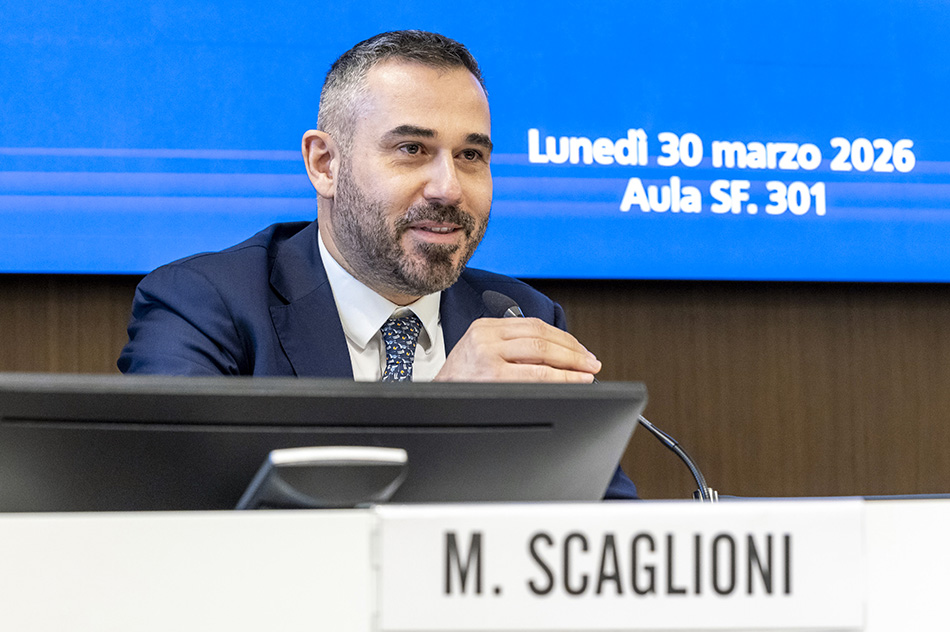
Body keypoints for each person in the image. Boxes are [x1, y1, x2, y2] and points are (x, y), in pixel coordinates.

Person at [118, 30, 637, 498]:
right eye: (412, 149)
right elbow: (176, 521)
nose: (448, 188)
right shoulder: (204, 306)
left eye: (470, 156)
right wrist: (442, 416)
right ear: (325, 164)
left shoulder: (520, 317)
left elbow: (603, 527)